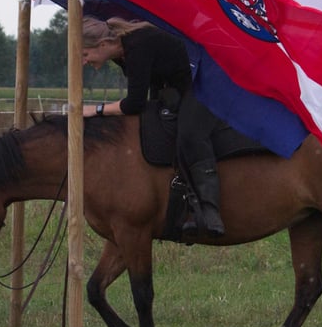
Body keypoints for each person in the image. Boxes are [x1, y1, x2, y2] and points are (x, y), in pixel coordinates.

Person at [80, 15, 225, 237]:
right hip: (176, 86)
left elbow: (134, 103)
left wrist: (95, 110)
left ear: (103, 45)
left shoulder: (137, 46)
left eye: (85, 54)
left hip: (204, 83)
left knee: (190, 134)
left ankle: (209, 209)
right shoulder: (121, 52)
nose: (83, 61)